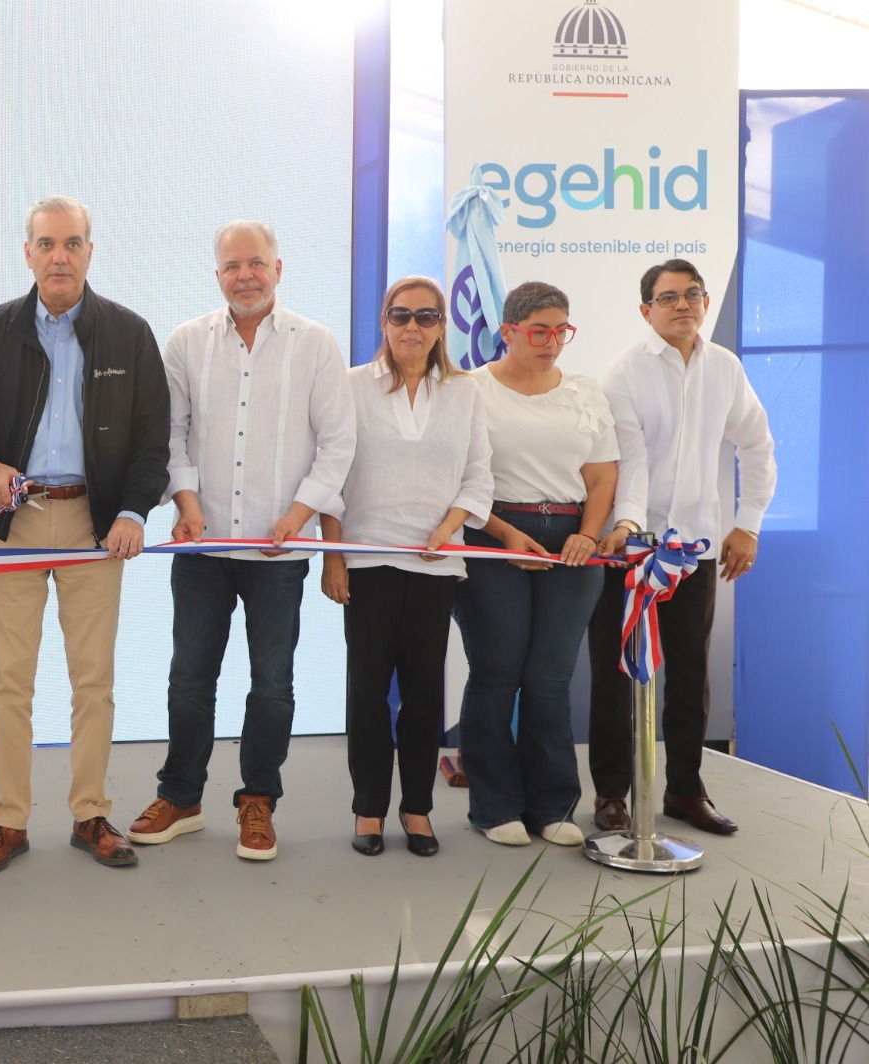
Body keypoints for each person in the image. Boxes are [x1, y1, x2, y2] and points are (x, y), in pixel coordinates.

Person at [0, 196, 170, 873]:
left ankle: (89, 814)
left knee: (92, 681)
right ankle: (8, 821)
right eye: (46, 244)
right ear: (28, 253)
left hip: (94, 524)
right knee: (7, 683)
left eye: (72, 243)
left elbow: (153, 438)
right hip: (14, 519)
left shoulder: (129, 334)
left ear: (90, 252)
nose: (59, 256)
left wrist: (132, 513)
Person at [126, 220, 353, 862]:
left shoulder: (315, 344)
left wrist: (299, 513)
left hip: (278, 553)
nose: (245, 275)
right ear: (217, 274)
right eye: (232, 266)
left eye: (257, 263)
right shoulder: (186, 342)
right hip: (202, 548)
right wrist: (188, 503)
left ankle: (258, 801)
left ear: (278, 269)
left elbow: (339, 442)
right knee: (189, 680)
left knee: (272, 684)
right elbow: (168, 433)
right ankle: (183, 796)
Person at [586, 259, 776, 835]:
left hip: (695, 547)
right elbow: (631, 461)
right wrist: (633, 530)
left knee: (691, 676)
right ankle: (612, 796)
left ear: (706, 301)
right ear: (646, 310)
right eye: (668, 298)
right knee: (615, 673)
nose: (683, 305)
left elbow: (758, 445)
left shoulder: (725, 367)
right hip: (630, 548)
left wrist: (747, 522)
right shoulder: (624, 372)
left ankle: (686, 792)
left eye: (692, 294)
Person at [322, 276, 492, 858]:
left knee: (423, 694)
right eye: (400, 316)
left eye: (425, 316)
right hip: (367, 562)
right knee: (367, 692)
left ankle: (417, 809)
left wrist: (447, 531)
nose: (412, 327)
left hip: (436, 565)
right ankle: (369, 808)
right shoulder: (348, 387)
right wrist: (335, 557)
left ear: (443, 325)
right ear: (384, 323)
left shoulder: (466, 393)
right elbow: (332, 477)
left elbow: (479, 477)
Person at [453, 281, 618, 847]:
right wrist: (503, 535)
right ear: (507, 332)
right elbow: (459, 477)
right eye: (539, 331)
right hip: (495, 532)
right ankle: (493, 806)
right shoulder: (470, 389)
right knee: (497, 672)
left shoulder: (585, 392)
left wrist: (590, 537)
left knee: (550, 679)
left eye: (561, 331)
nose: (552, 342)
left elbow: (601, 477)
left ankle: (554, 809)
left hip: (573, 540)